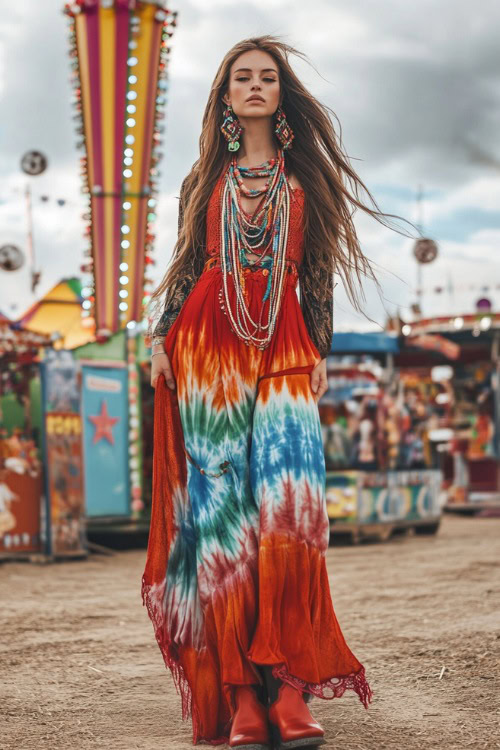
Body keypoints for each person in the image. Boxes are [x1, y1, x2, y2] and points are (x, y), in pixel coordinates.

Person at [142, 35, 413, 749]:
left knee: (291, 511)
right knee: (224, 520)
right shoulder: (201, 180)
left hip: (285, 342)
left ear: (281, 93)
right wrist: (158, 339)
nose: (255, 86)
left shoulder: (305, 183)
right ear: (226, 96)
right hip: (206, 345)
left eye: (267, 77)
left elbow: (316, 273)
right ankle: (241, 698)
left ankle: (291, 687)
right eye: (242, 77)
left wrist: (319, 345)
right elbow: (185, 269)